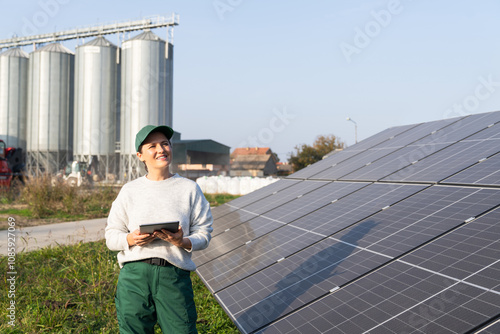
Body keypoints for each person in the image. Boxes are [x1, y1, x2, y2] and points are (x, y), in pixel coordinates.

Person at [105, 125, 213, 334]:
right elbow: (111, 235)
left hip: (173, 275)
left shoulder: (189, 189)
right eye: (152, 146)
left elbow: (204, 232)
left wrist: (182, 242)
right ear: (140, 155)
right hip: (134, 276)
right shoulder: (130, 191)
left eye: (165, 144)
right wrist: (131, 239)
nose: (161, 149)